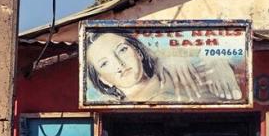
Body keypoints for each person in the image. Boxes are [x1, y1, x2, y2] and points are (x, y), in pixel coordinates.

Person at [84, 31, 243, 103]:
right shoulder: (113, 105)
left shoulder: (179, 69)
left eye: (122, 50)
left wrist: (218, 59)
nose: (119, 64)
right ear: (102, 79)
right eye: (104, 63)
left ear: (138, 52)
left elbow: (240, 46)